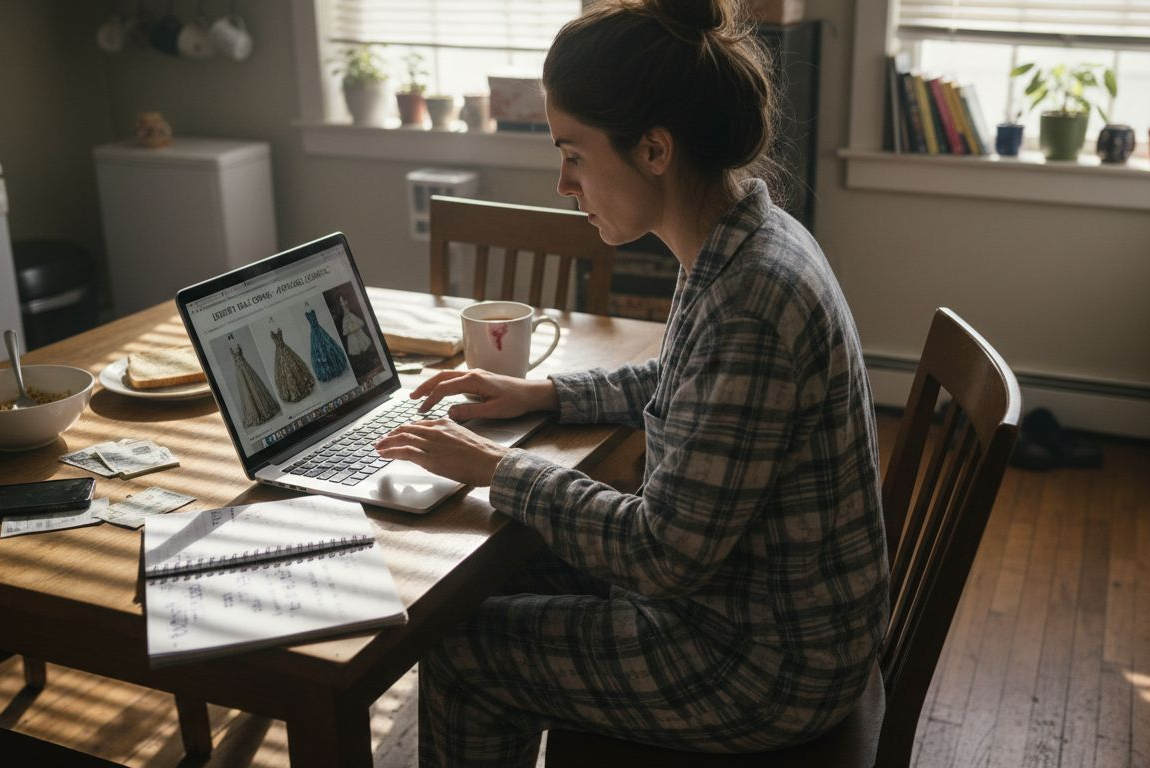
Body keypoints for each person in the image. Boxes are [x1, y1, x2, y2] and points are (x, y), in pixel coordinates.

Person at [373, 1, 889, 765]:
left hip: (765, 664)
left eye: (574, 154)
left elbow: (660, 556)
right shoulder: (737, 235)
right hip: (770, 613)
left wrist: (494, 468)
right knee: (488, 572)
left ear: (653, 150)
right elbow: (682, 377)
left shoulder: (749, 298)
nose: (561, 182)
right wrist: (543, 396)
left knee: (466, 650)